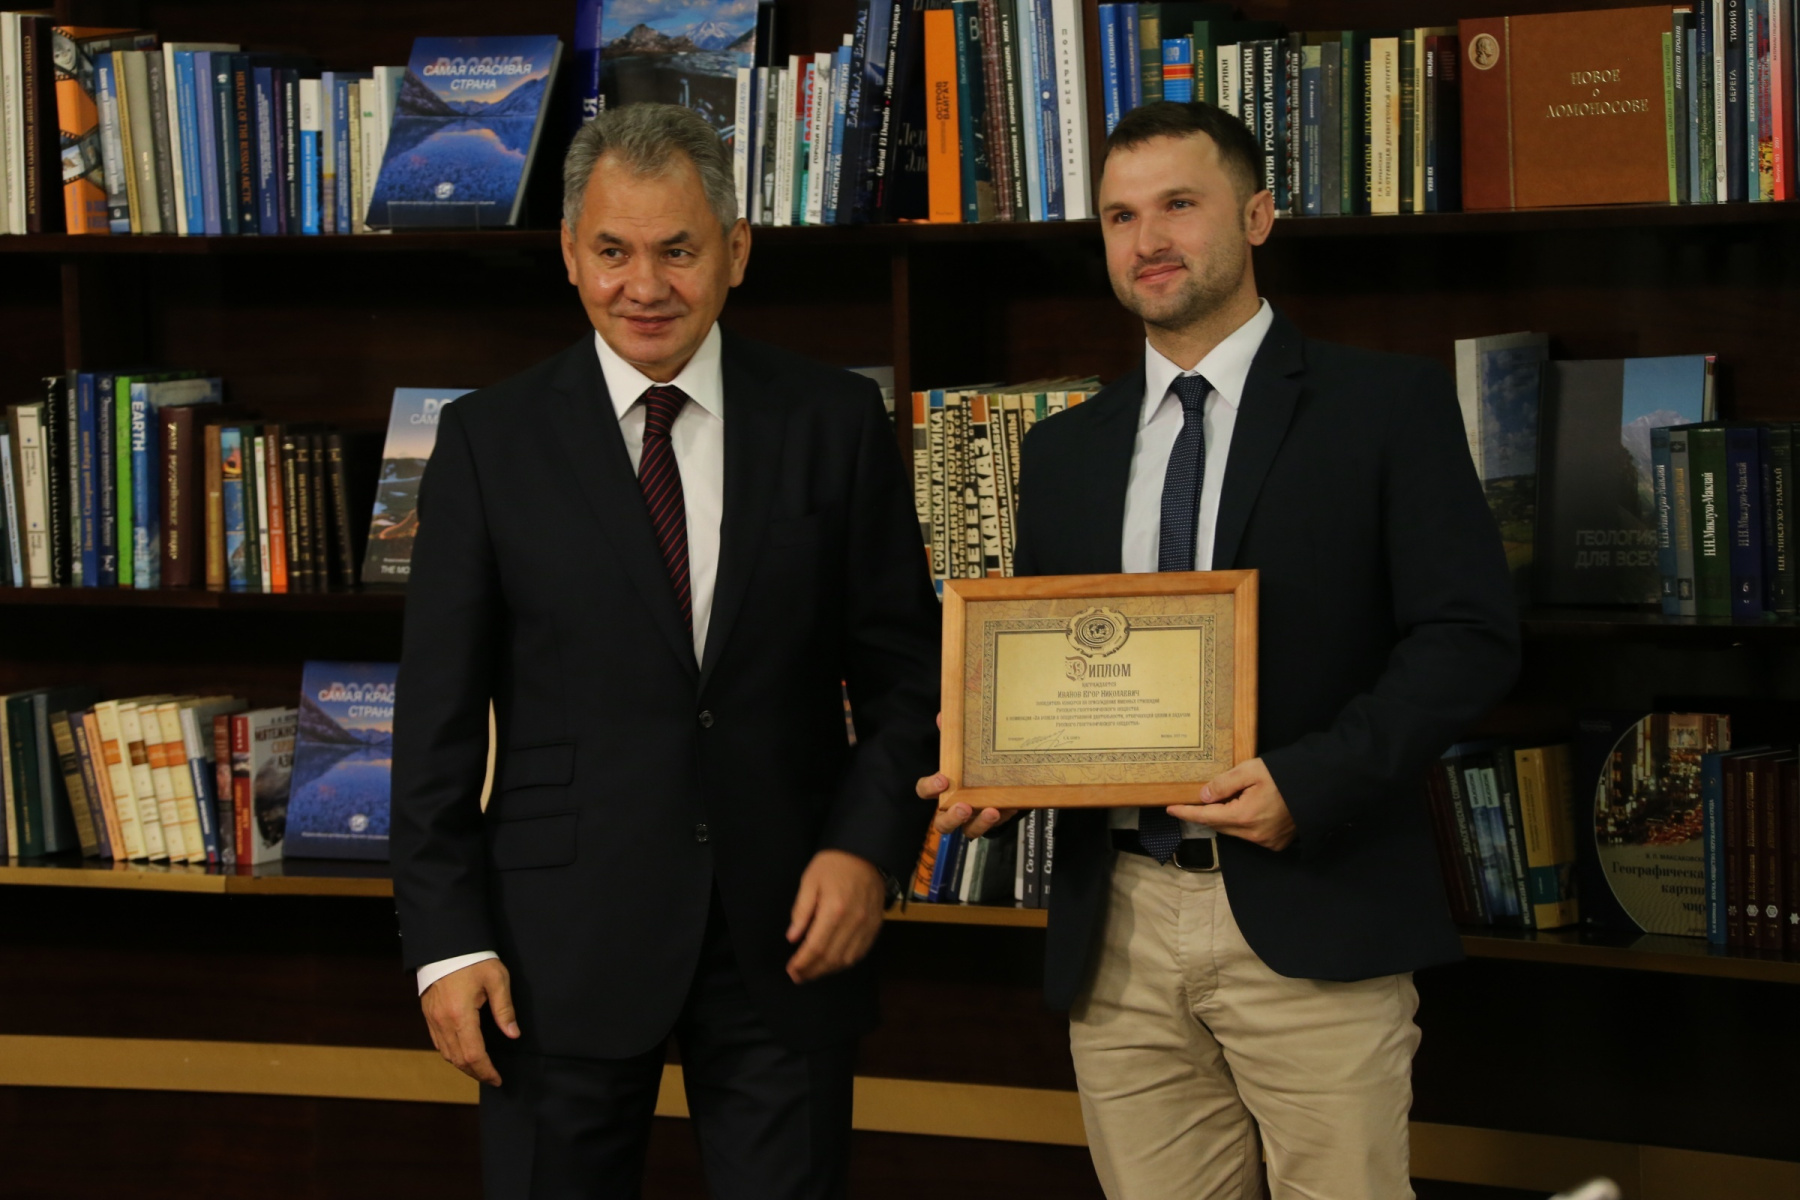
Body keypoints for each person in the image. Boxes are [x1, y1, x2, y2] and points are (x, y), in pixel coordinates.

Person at [922, 101, 1520, 1199]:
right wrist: (1001, 768)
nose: (1147, 240)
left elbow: (1469, 638)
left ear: (1257, 216)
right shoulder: (1062, 451)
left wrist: (1310, 782)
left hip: (1315, 904)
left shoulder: (1383, 407)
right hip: (1118, 926)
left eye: (1178, 206)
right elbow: (1058, 663)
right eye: (1120, 216)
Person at [392, 103, 940, 1199]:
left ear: (736, 249)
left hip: (788, 930)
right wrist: (447, 943)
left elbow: (910, 677)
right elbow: (436, 722)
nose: (644, 286)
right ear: (568, 252)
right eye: (613, 251)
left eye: (678, 250)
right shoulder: (488, 442)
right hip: (554, 948)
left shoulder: (834, 421)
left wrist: (868, 850)